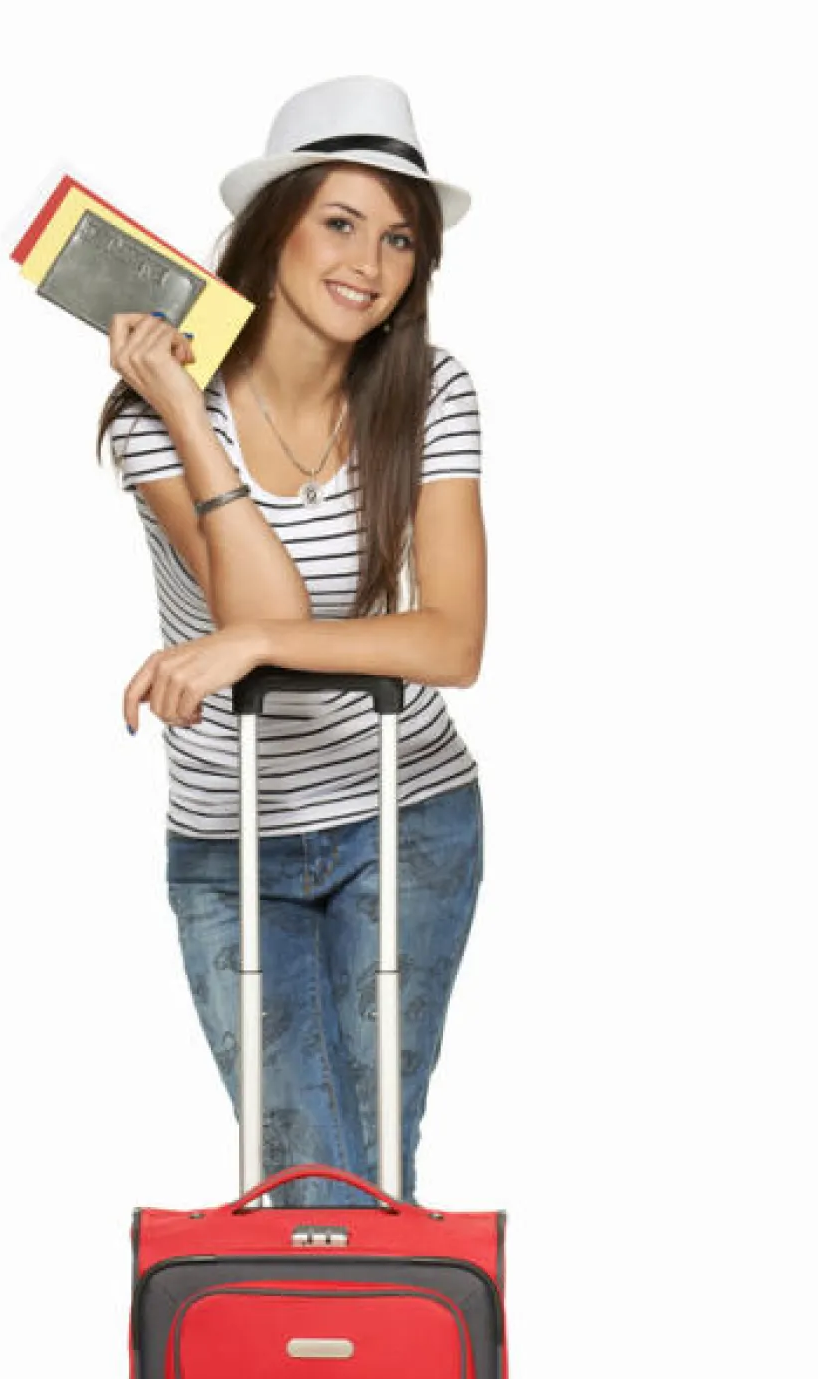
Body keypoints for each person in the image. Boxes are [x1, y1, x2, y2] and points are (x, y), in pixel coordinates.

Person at [97, 76, 487, 1207]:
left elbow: (452, 642)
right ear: (274, 232)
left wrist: (253, 644)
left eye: (400, 238)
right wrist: (186, 409)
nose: (370, 262)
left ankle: (393, 1332)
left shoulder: (430, 393)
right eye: (340, 222)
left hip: (405, 817)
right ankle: (361, 1329)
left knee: (373, 1157)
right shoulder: (155, 420)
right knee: (308, 1168)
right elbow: (255, 607)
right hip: (232, 840)